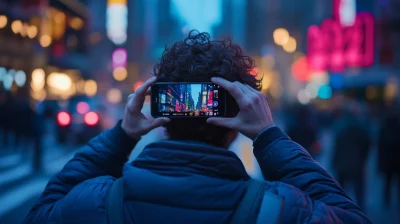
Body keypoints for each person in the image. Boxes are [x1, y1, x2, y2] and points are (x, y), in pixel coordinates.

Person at [23, 31, 370, 224]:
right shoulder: (282, 209)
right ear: (237, 123)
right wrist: (269, 137)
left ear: (161, 117)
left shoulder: (94, 202)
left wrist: (120, 136)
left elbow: (40, 212)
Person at [332, 104, 371, 211]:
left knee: (341, 189)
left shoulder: (339, 126)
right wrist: (363, 158)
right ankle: (361, 209)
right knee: (359, 189)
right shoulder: (361, 127)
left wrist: (334, 162)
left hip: (342, 163)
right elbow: (367, 143)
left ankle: (341, 208)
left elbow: (336, 146)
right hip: (357, 163)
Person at [378, 107, 400, 208]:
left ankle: (386, 202)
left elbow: (380, 148)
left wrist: (380, 164)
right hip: (396, 162)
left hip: (388, 162)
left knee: (387, 183)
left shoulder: (384, 129)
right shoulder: (396, 129)